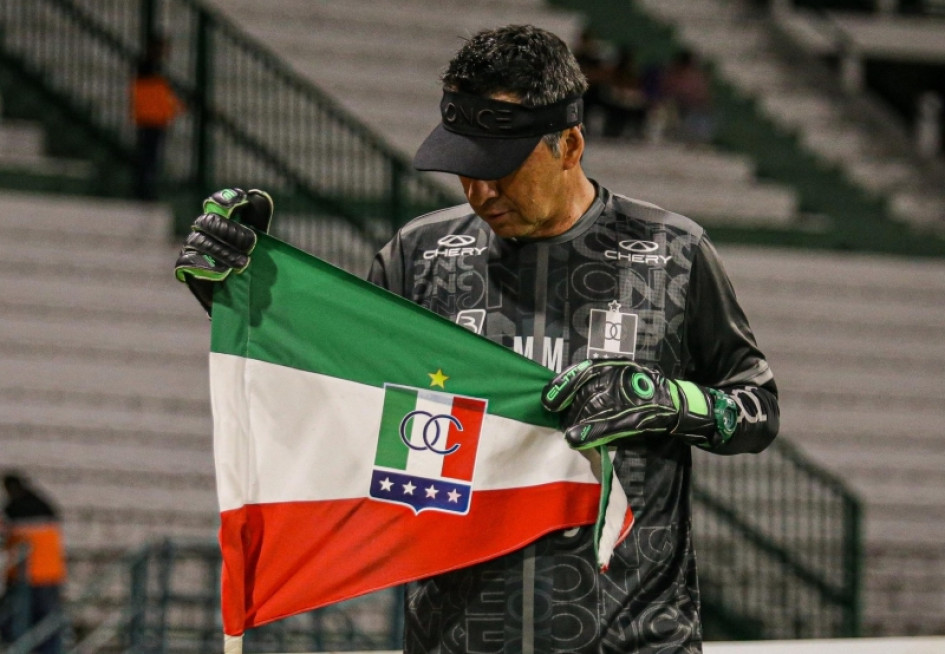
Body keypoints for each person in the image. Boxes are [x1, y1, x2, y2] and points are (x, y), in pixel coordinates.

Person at [174, 24, 779, 653]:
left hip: (633, 641)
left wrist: (676, 401)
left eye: (500, 168)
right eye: (464, 167)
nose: (479, 191)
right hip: (454, 639)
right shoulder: (421, 256)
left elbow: (759, 409)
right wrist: (247, 301)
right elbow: (337, 407)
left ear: (569, 145)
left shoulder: (672, 252)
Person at [1, 472, 66, 654]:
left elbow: (7, 536)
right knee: (47, 623)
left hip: (24, 576)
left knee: (12, 620)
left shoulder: (14, 509)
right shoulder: (45, 505)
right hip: (50, 574)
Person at [131, 34, 182, 200]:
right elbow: (155, 96)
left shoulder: (152, 69)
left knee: (150, 157)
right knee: (148, 157)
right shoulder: (148, 69)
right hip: (150, 119)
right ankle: (144, 190)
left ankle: (146, 188)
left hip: (154, 119)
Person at [660, 49, 716, 145]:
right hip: (681, 107)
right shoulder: (676, 75)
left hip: (693, 108)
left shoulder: (695, 76)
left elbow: (702, 94)